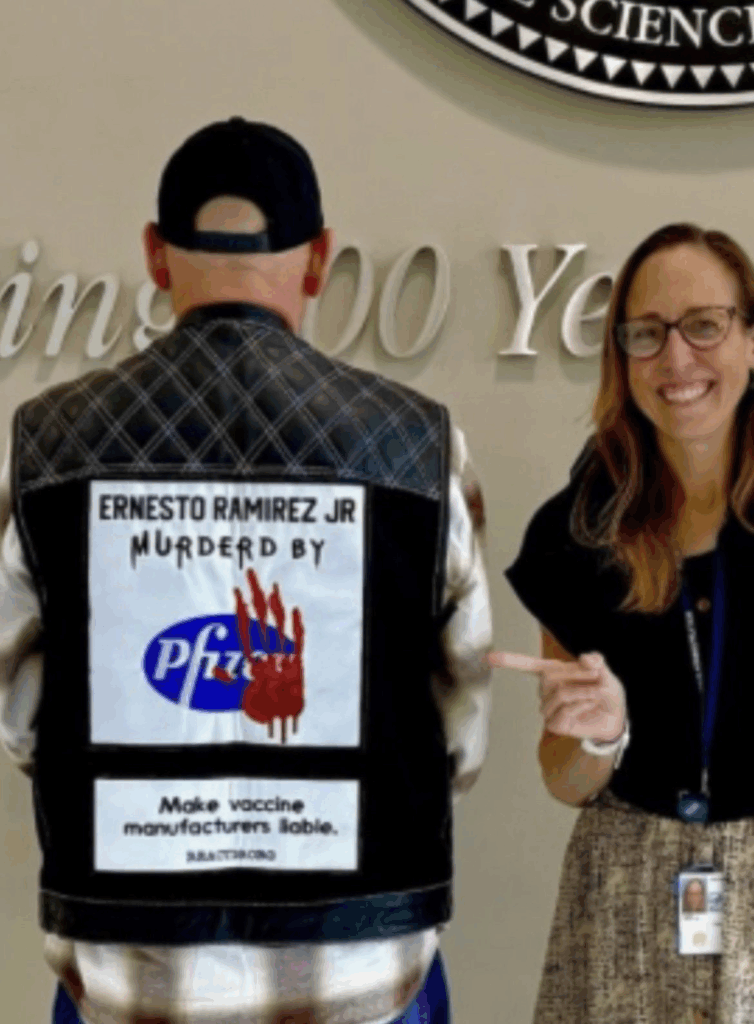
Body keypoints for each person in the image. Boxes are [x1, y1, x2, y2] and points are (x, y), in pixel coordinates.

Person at [0, 118, 493, 1024]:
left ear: (155, 255)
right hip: (360, 971)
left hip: (128, 974)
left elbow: (20, 710)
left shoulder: (47, 443)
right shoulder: (419, 443)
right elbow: (458, 723)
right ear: (319, 259)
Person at [489, 223, 754, 1024]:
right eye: (647, 333)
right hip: (627, 901)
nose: (676, 359)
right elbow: (565, 780)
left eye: (704, 325)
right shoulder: (578, 531)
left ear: (750, 337)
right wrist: (601, 736)